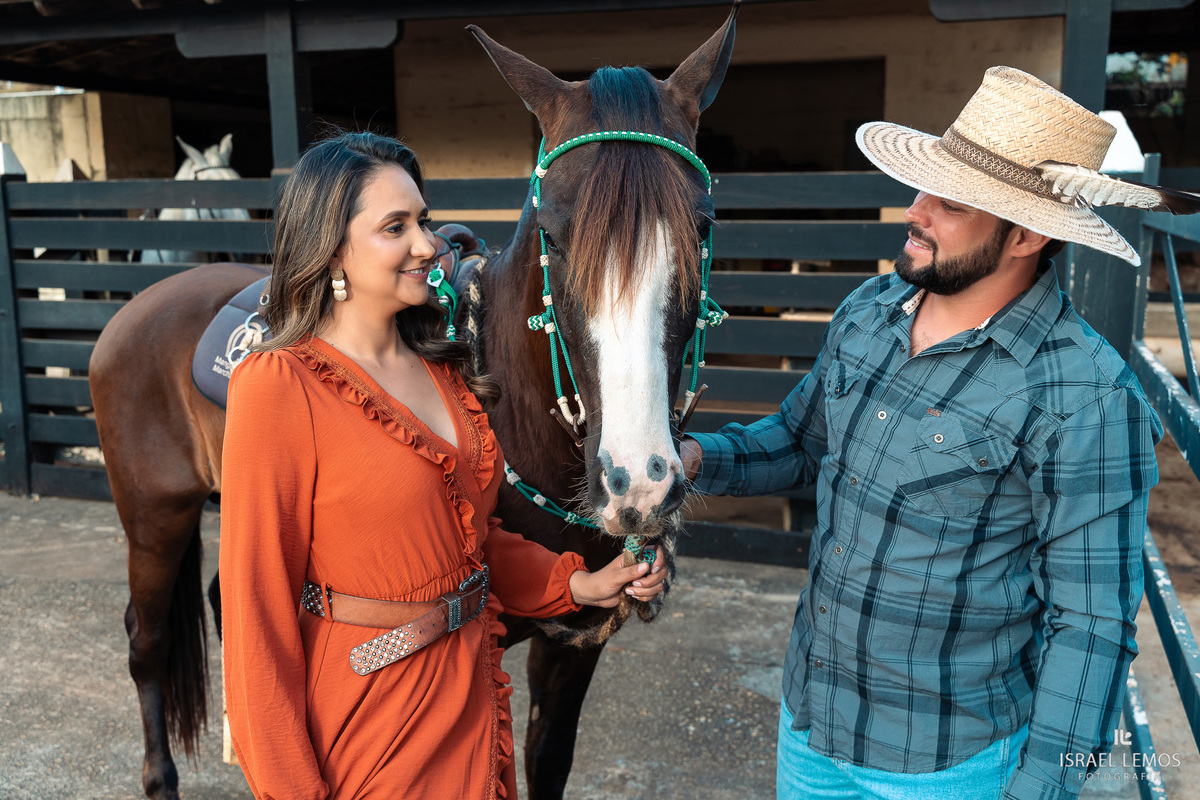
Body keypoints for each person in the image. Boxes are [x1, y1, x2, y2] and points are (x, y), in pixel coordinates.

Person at [682, 67, 1184, 800]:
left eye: (950, 202)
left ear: (1027, 235)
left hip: (952, 766)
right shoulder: (870, 312)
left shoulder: (1085, 396)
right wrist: (692, 459)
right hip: (811, 728)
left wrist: (1043, 788)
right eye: (923, 188)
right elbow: (797, 442)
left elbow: (1092, 627)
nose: (915, 211)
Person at [219, 131, 666, 800]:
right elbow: (256, 614)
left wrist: (576, 586)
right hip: (372, 718)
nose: (428, 244)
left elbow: (469, 541)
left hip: (471, 694)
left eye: (422, 220)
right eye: (395, 226)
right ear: (331, 246)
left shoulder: (443, 366)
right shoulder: (279, 385)